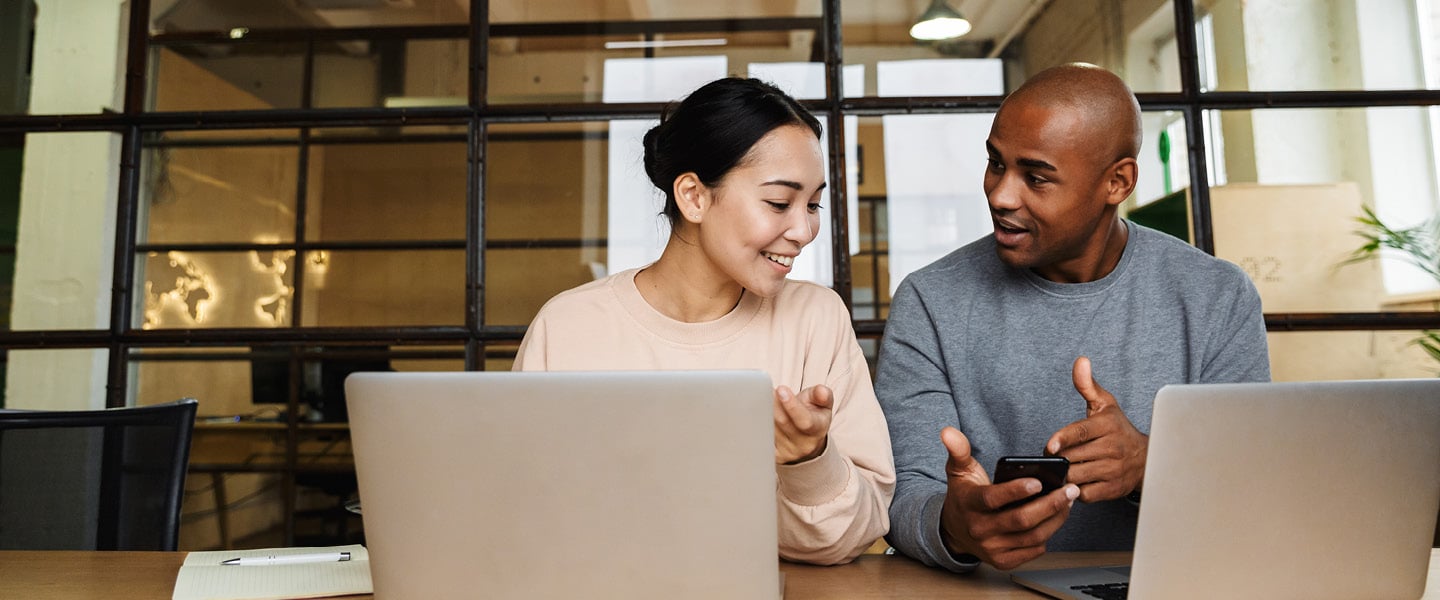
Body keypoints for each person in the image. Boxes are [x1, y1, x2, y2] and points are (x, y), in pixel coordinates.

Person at [876, 63, 1270, 573]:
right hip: (990, 591)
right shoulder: (930, 300)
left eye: (1036, 177)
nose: (1000, 195)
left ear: (1117, 182)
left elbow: (1250, 490)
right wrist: (955, 526)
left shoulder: (1216, 296)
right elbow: (903, 493)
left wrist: (1153, 463)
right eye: (996, 163)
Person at [513, 77, 895, 565]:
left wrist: (808, 459)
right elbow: (523, 518)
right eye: (779, 203)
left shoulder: (816, 319)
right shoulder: (568, 327)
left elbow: (854, 538)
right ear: (693, 196)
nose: (803, 231)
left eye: (814, 204)